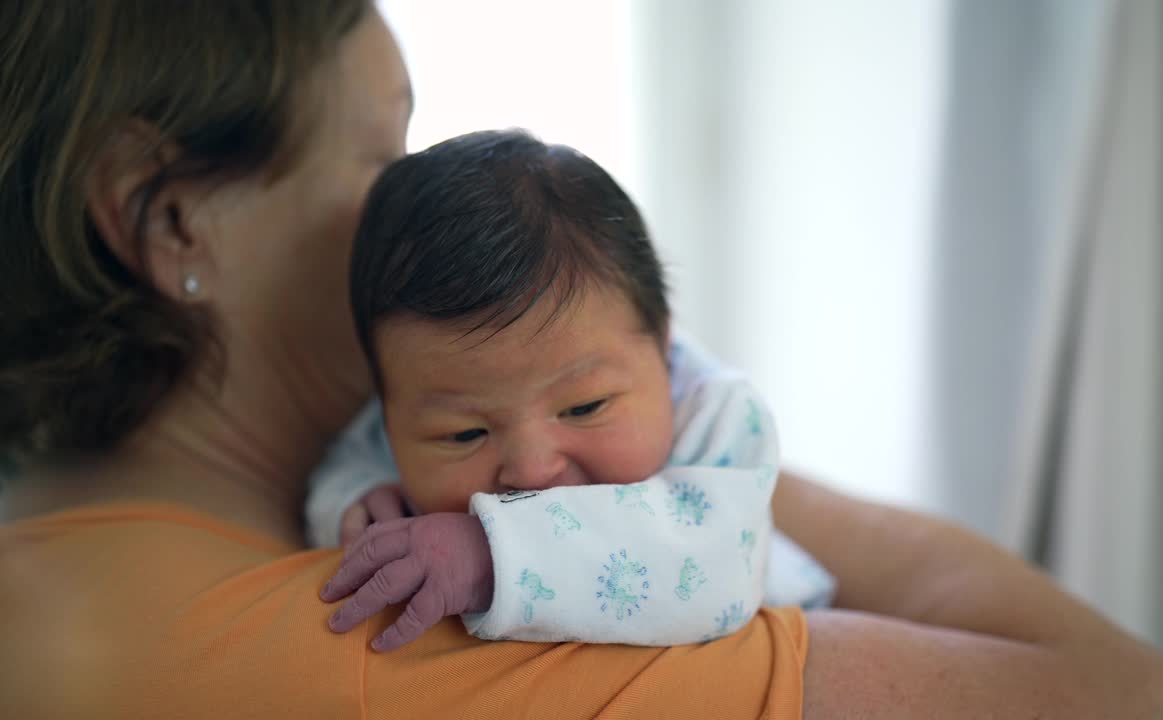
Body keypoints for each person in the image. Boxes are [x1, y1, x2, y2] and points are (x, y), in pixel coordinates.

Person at [0, 2, 1163, 718]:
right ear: (168, 222)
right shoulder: (372, 626)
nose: (423, 215)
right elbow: (1129, 697)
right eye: (380, 157)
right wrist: (671, 432)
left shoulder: (80, 566)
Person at [309, 129, 835, 651]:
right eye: (464, 433)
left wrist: (494, 556)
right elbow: (345, 465)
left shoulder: (717, 415)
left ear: (663, 348)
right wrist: (357, 500)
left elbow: (712, 564)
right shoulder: (402, 416)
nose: (533, 470)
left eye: (584, 407)